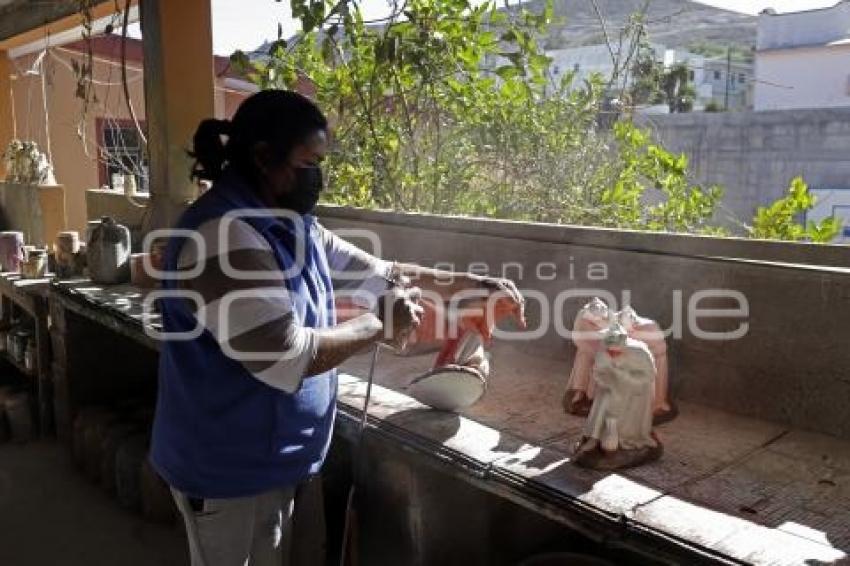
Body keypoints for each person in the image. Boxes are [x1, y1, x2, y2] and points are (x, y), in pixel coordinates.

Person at [150, 90, 522, 566]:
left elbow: (382, 272)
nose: (318, 178)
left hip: (279, 460)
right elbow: (282, 353)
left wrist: (475, 286)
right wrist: (378, 325)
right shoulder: (223, 235)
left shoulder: (290, 223)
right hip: (228, 471)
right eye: (309, 162)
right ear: (264, 157)